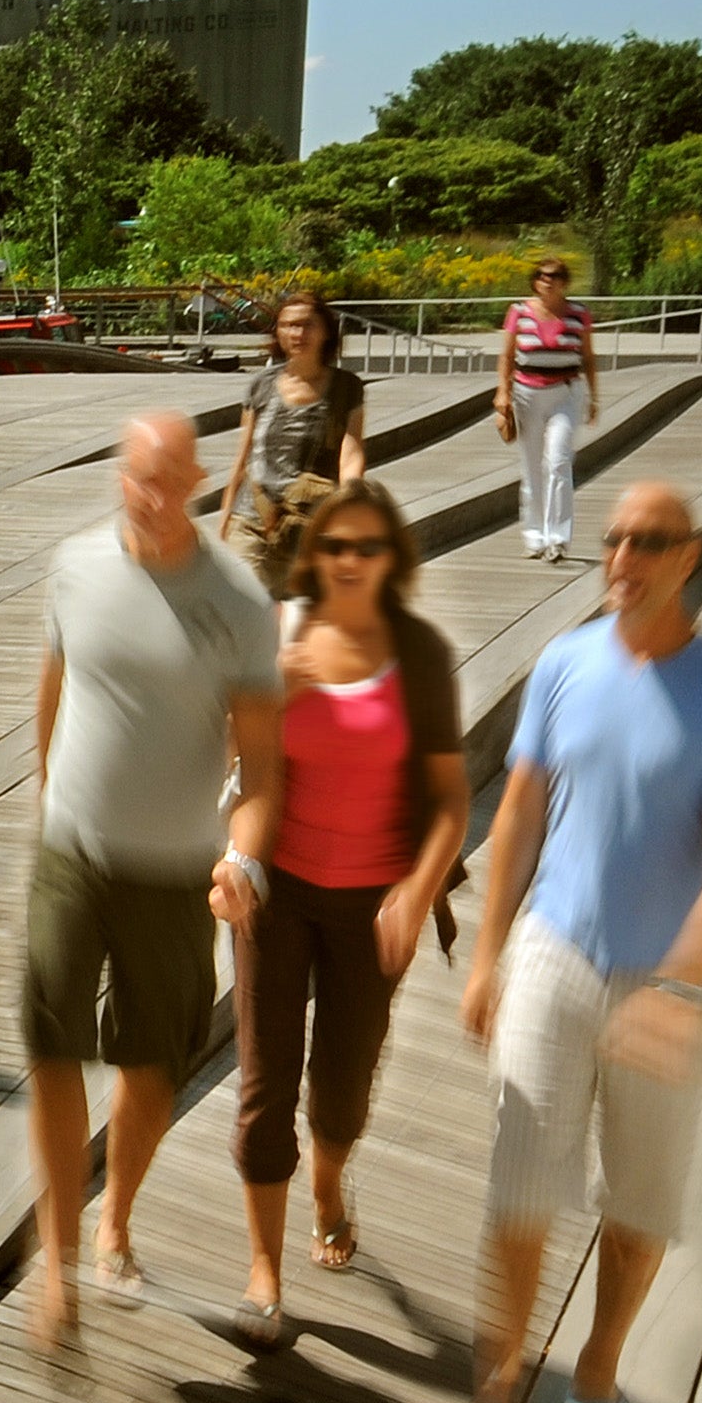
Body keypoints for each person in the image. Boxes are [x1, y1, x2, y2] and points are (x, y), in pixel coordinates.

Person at [445, 480, 702, 1403]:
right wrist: (489, 953)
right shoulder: (562, 663)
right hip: (554, 952)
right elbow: (521, 818)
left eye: (647, 540)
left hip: (665, 980)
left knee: (635, 1209)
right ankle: (492, 1398)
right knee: (517, 1194)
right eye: (613, 537)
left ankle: (595, 1365)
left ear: (688, 555)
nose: (621, 555)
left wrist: (677, 983)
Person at [25, 415, 283, 1351]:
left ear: (203, 478)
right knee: (51, 1047)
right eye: (141, 475)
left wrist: (241, 857)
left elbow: (262, 764)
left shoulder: (240, 601)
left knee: (149, 1066)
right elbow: (56, 686)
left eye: (173, 477)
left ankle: (115, 1218)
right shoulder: (77, 564)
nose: (155, 493)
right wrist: (54, 792)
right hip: (72, 854)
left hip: (176, 869)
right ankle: (55, 1263)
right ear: (119, 477)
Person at [223, 481, 468, 1349]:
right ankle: (264, 1271)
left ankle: (328, 1181)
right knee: (263, 1089)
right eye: (334, 547)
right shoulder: (280, 641)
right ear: (312, 556)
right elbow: (237, 760)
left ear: (392, 558)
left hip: (374, 904)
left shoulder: (420, 654)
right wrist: (269, 692)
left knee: (341, 1090)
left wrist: (415, 886)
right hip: (278, 891)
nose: (349, 562)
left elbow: (450, 801)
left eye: (368, 547)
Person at [218, 289, 372, 597]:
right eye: (288, 325)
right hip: (252, 521)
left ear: (326, 331)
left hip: (313, 527)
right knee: (240, 610)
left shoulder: (346, 388)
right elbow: (242, 460)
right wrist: (223, 525)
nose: (297, 333)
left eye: (307, 324)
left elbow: (351, 456)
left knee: (306, 626)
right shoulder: (260, 386)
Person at [497, 255, 603, 561]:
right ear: (535, 280)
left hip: (565, 392)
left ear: (564, 281)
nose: (549, 281)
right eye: (543, 275)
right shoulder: (519, 312)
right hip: (527, 393)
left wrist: (593, 398)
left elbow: (589, 357)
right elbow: (506, 357)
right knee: (531, 467)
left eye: (555, 276)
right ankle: (534, 536)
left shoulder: (578, 314)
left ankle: (557, 538)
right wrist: (502, 393)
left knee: (558, 462)